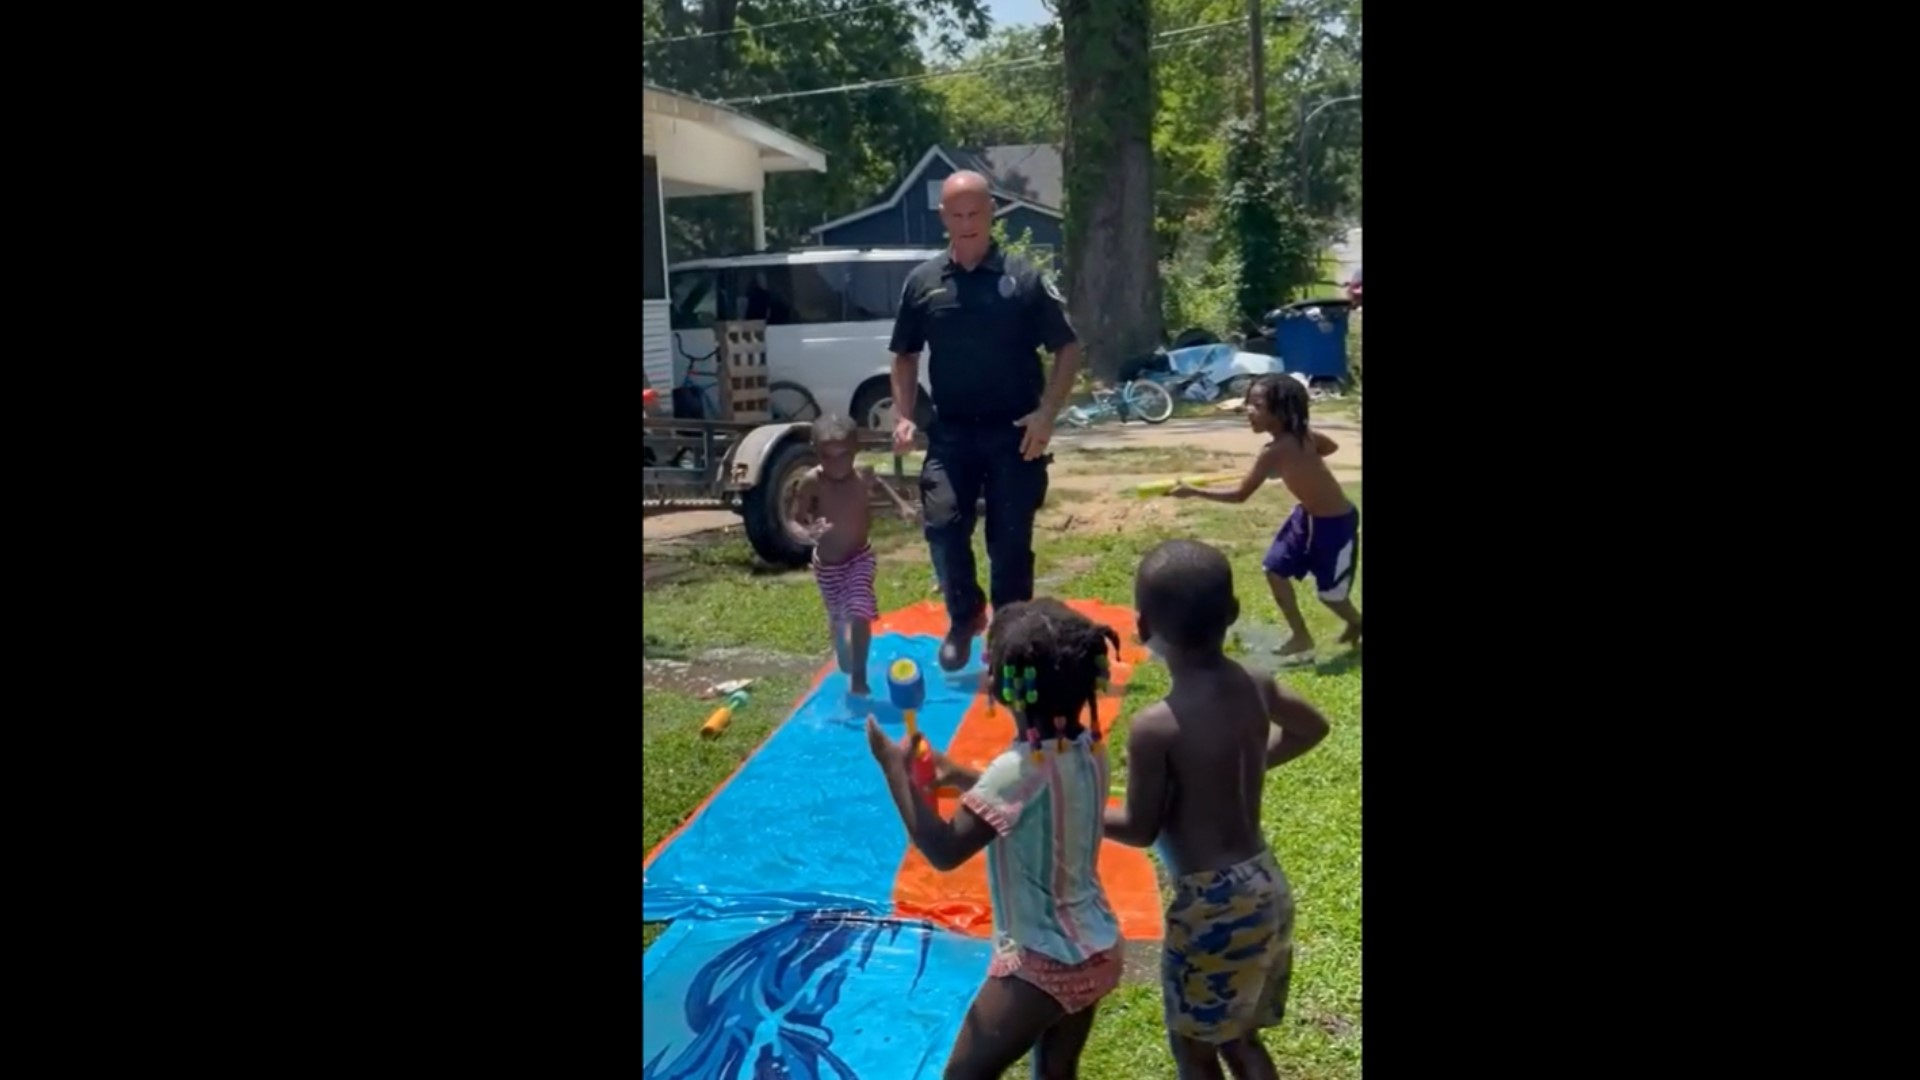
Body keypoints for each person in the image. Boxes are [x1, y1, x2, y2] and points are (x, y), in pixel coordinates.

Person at [865, 598, 1125, 1080]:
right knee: (1056, 1071)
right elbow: (1038, 800)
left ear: (1007, 689)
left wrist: (895, 772)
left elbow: (944, 850)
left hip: (1043, 964)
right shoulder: (1087, 748)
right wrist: (956, 776)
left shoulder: (1016, 770)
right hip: (1098, 947)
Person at [1104, 540, 1332, 1080]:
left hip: (1212, 904)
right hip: (1265, 886)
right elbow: (1312, 728)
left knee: (1194, 1048)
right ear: (1231, 613)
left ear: (1141, 626)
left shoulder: (1155, 727)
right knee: (1239, 1035)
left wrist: (1069, 810)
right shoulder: (1255, 683)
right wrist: (1251, 763)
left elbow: (1138, 829)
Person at [888, 170, 1082, 672]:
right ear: (944, 218)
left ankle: (1011, 639)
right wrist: (905, 415)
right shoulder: (924, 282)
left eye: (976, 212)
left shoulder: (1024, 278)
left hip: (1016, 432)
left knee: (1009, 540)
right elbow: (905, 355)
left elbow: (1067, 347)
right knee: (942, 524)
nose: (967, 222)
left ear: (991, 212)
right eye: (957, 214)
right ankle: (964, 615)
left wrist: (1047, 415)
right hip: (951, 433)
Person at [1172, 373, 1361, 661]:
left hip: (1336, 524)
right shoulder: (1302, 437)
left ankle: (1358, 623)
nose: (1248, 410)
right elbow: (1329, 447)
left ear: (1281, 411)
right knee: (1274, 569)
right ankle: (1301, 636)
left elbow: (1239, 495)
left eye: (1257, 405)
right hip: (1306, 518)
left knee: (1331, 595)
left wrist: (1194, 491)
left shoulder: (1274, 451)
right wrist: (1300, 465)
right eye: (1248, 403)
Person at [792, 414, 917, 696]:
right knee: (839, 618)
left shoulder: (863, 474)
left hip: (860, 557)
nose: (836, 464)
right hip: (828, 566)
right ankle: (840, 643)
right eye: (828, 456)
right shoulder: (813, 481)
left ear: (856, 449)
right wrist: (808, 531)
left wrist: (901, 505)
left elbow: (881, 484)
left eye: (843, 455)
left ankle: (859, 679)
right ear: (816, 453)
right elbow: (795, 518)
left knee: (859, 611)